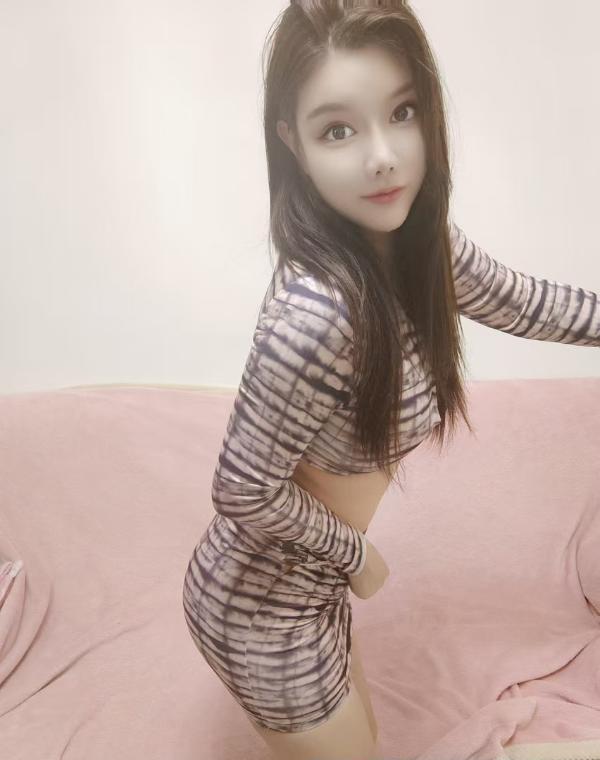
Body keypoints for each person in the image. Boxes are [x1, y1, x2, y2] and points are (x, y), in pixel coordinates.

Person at [182, 2, 600, 759]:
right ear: (291, 140)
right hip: (259, 611)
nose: (383, 157)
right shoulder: (314, 317)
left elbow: (527, 303)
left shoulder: (417, 245)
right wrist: (357, 556)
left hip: (315, 591)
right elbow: (241, 489)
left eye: (402, 113)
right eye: (338, 130)